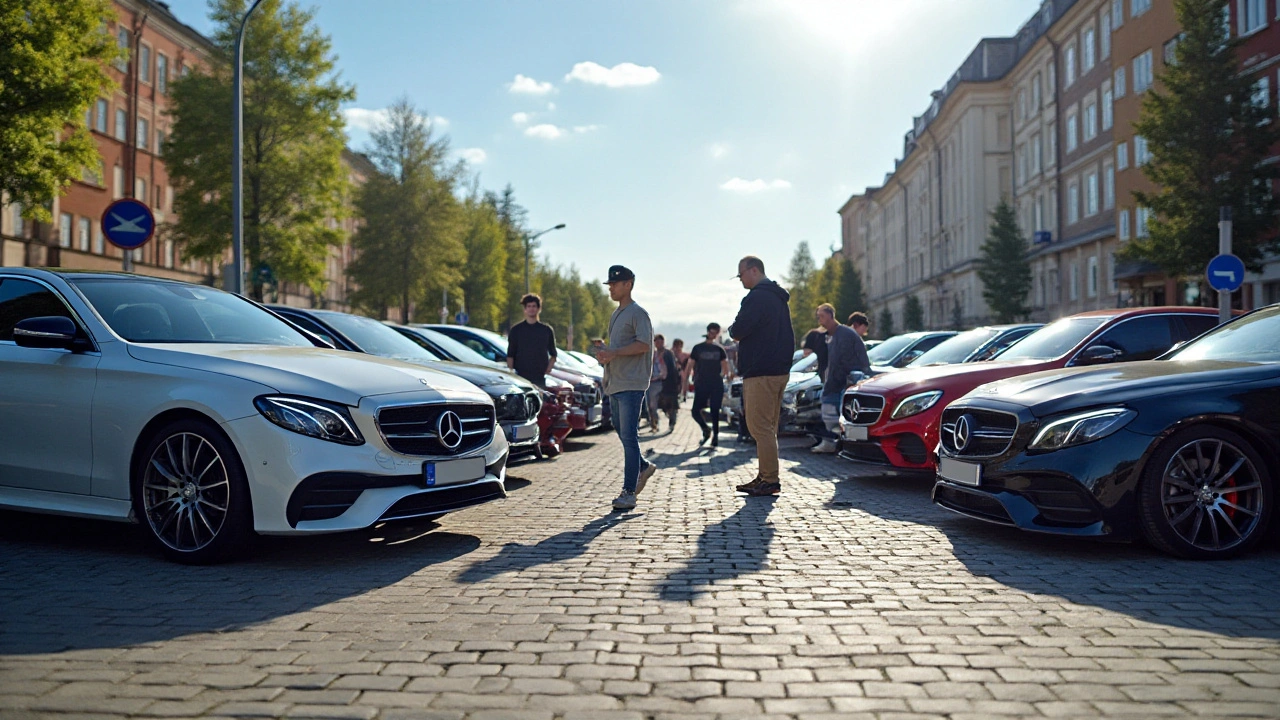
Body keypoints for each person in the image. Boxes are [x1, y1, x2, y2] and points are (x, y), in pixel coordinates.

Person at [728, 256, 793, 496]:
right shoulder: (778, 297)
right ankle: (765, 475)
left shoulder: (757, 297)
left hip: (760, 371)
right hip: (778, 370)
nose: (740, 280)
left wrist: (732, 330)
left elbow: (739, 330)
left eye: (741, 274)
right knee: (769, 427)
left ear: (753, 271)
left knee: (759, 427)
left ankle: (769, 479)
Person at [596, 265, 657, 511]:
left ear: (628, 284)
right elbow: (618, 349)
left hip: (632, 384)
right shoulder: (616, 314)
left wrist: (614, 352)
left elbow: (643, 345)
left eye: (614, 283)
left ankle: (629, 492)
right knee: (621, 430)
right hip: (616, 383)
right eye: (609, 284)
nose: (610, 287)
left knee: (629, 437)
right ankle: (642, 466)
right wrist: (606, 356)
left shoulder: (638, 313)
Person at [812, 304, 872, 453]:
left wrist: (833, 384)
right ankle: (831, 442)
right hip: (838, 381)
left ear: (831, 316)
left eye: (822, 317)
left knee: (839, 413)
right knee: (830, 412)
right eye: (819, 317)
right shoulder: (832, 335)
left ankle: (839, 444)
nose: (820, 320)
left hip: (846, 382)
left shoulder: (844, 334)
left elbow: (848, 361)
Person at [689, 323, 731, 446]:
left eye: (715, 333)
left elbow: (725, 367)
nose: (713, 335)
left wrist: (726, 378)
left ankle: (715, 437)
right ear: (708, 332)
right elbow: (689, 366)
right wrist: (686, 382)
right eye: (711, 332)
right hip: (701, 383)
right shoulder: (698, 348)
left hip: (716, 384)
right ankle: (706, 429)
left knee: (715, 411)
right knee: (695, 411)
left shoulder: (719, 349)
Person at [506, 294, 557, 386]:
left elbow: (553, 354)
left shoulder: (546, 330)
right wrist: (511, 372)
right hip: (520, 376)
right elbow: (510, 354)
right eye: (528, 306)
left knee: (539, 400)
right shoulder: (516, 330)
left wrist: (547, 370)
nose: (531, 309)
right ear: (525, 309)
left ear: (539, 309)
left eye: (534, 306)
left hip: (539, 377)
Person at [645, 334, 668, 433]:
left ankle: (657, 423)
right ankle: (653, 424)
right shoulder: (648, 355)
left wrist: (660, 376)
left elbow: (664, 369)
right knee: (649, 405)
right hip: (649, 383)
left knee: (655, 404)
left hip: (658, 382)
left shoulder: (662, 355)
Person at [659, 337, 681, 429]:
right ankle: (670, 415)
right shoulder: (655, 354)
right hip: (660, 383)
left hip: (671, 382)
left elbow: (673, 368)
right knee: (663, 404)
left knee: (672, 403)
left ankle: (672, 420)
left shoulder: (668, 353)